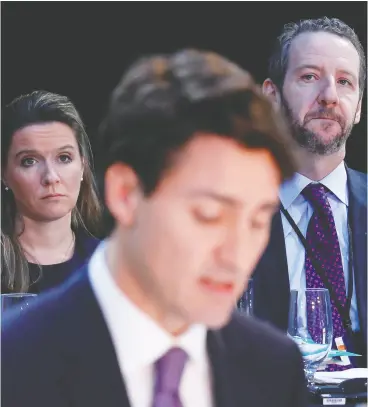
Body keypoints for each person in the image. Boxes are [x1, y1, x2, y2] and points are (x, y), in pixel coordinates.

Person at [2, 50, 307, 407]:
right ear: (126, 194)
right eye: (209, 215)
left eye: (258, 219)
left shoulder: (275, 368)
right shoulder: (16, 364)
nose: (238, 255)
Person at [251, 17, 367, 369]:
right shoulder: (227, 215)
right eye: (310, 77)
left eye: (345, 82)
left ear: (359, 106)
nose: (330, 96)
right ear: (271, 96)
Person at [1, 90, 103, 294]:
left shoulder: (108, 267)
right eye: (29, 161)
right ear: (4, 175)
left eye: (64, 157)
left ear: (82, 166)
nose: (51, 177)